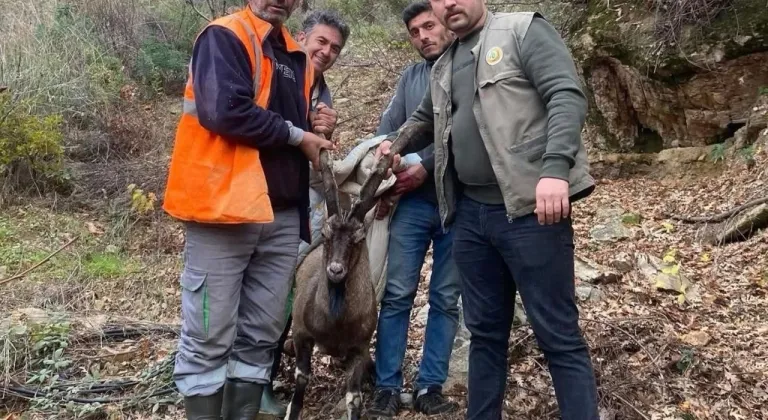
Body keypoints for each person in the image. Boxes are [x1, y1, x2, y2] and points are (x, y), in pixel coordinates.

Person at [374, 0, 600, 418]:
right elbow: (424, 118)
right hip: (471, 216)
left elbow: (565, 95)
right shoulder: (445, 64)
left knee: (558, 337)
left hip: (532, 212)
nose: (449, 4)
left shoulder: (522, 31)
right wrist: (394, 143)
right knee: (485, 337)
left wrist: (555, 169)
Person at [162, 0, 335, 418]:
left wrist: (316, 126)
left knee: (260, 337)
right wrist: (299, 136)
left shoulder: (296, 56)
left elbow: (295, 128)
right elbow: (226, 111)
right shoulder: (225, 36)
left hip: (282, 216)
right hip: (224, 212)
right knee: (208, 337)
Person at [367, 2, 460, 418]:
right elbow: (388, 130)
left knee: (445, 298)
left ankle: (430, 386)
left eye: (429, 26)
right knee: (397, 294)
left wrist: (424, 162)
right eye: (415, 31)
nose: (423, 36)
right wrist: (386, 155)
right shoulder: (410, 78)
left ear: (447, 25)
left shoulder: (468, 66)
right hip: (412, 205)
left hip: (459, 203)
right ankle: (386, 386)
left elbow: (469, 134)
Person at [258, 9, 349, 417]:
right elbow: (262, 122)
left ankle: (261, 378)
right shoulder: (279, 70)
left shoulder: (321, 89)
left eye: (335, 48)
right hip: (259, 193)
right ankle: (234, 380)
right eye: (321, 42)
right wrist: (306, 127)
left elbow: (314, 152)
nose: (327, 52)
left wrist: (325, 132)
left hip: (297, 200)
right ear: (302, 37)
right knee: (256, 291)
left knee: (282, 289)